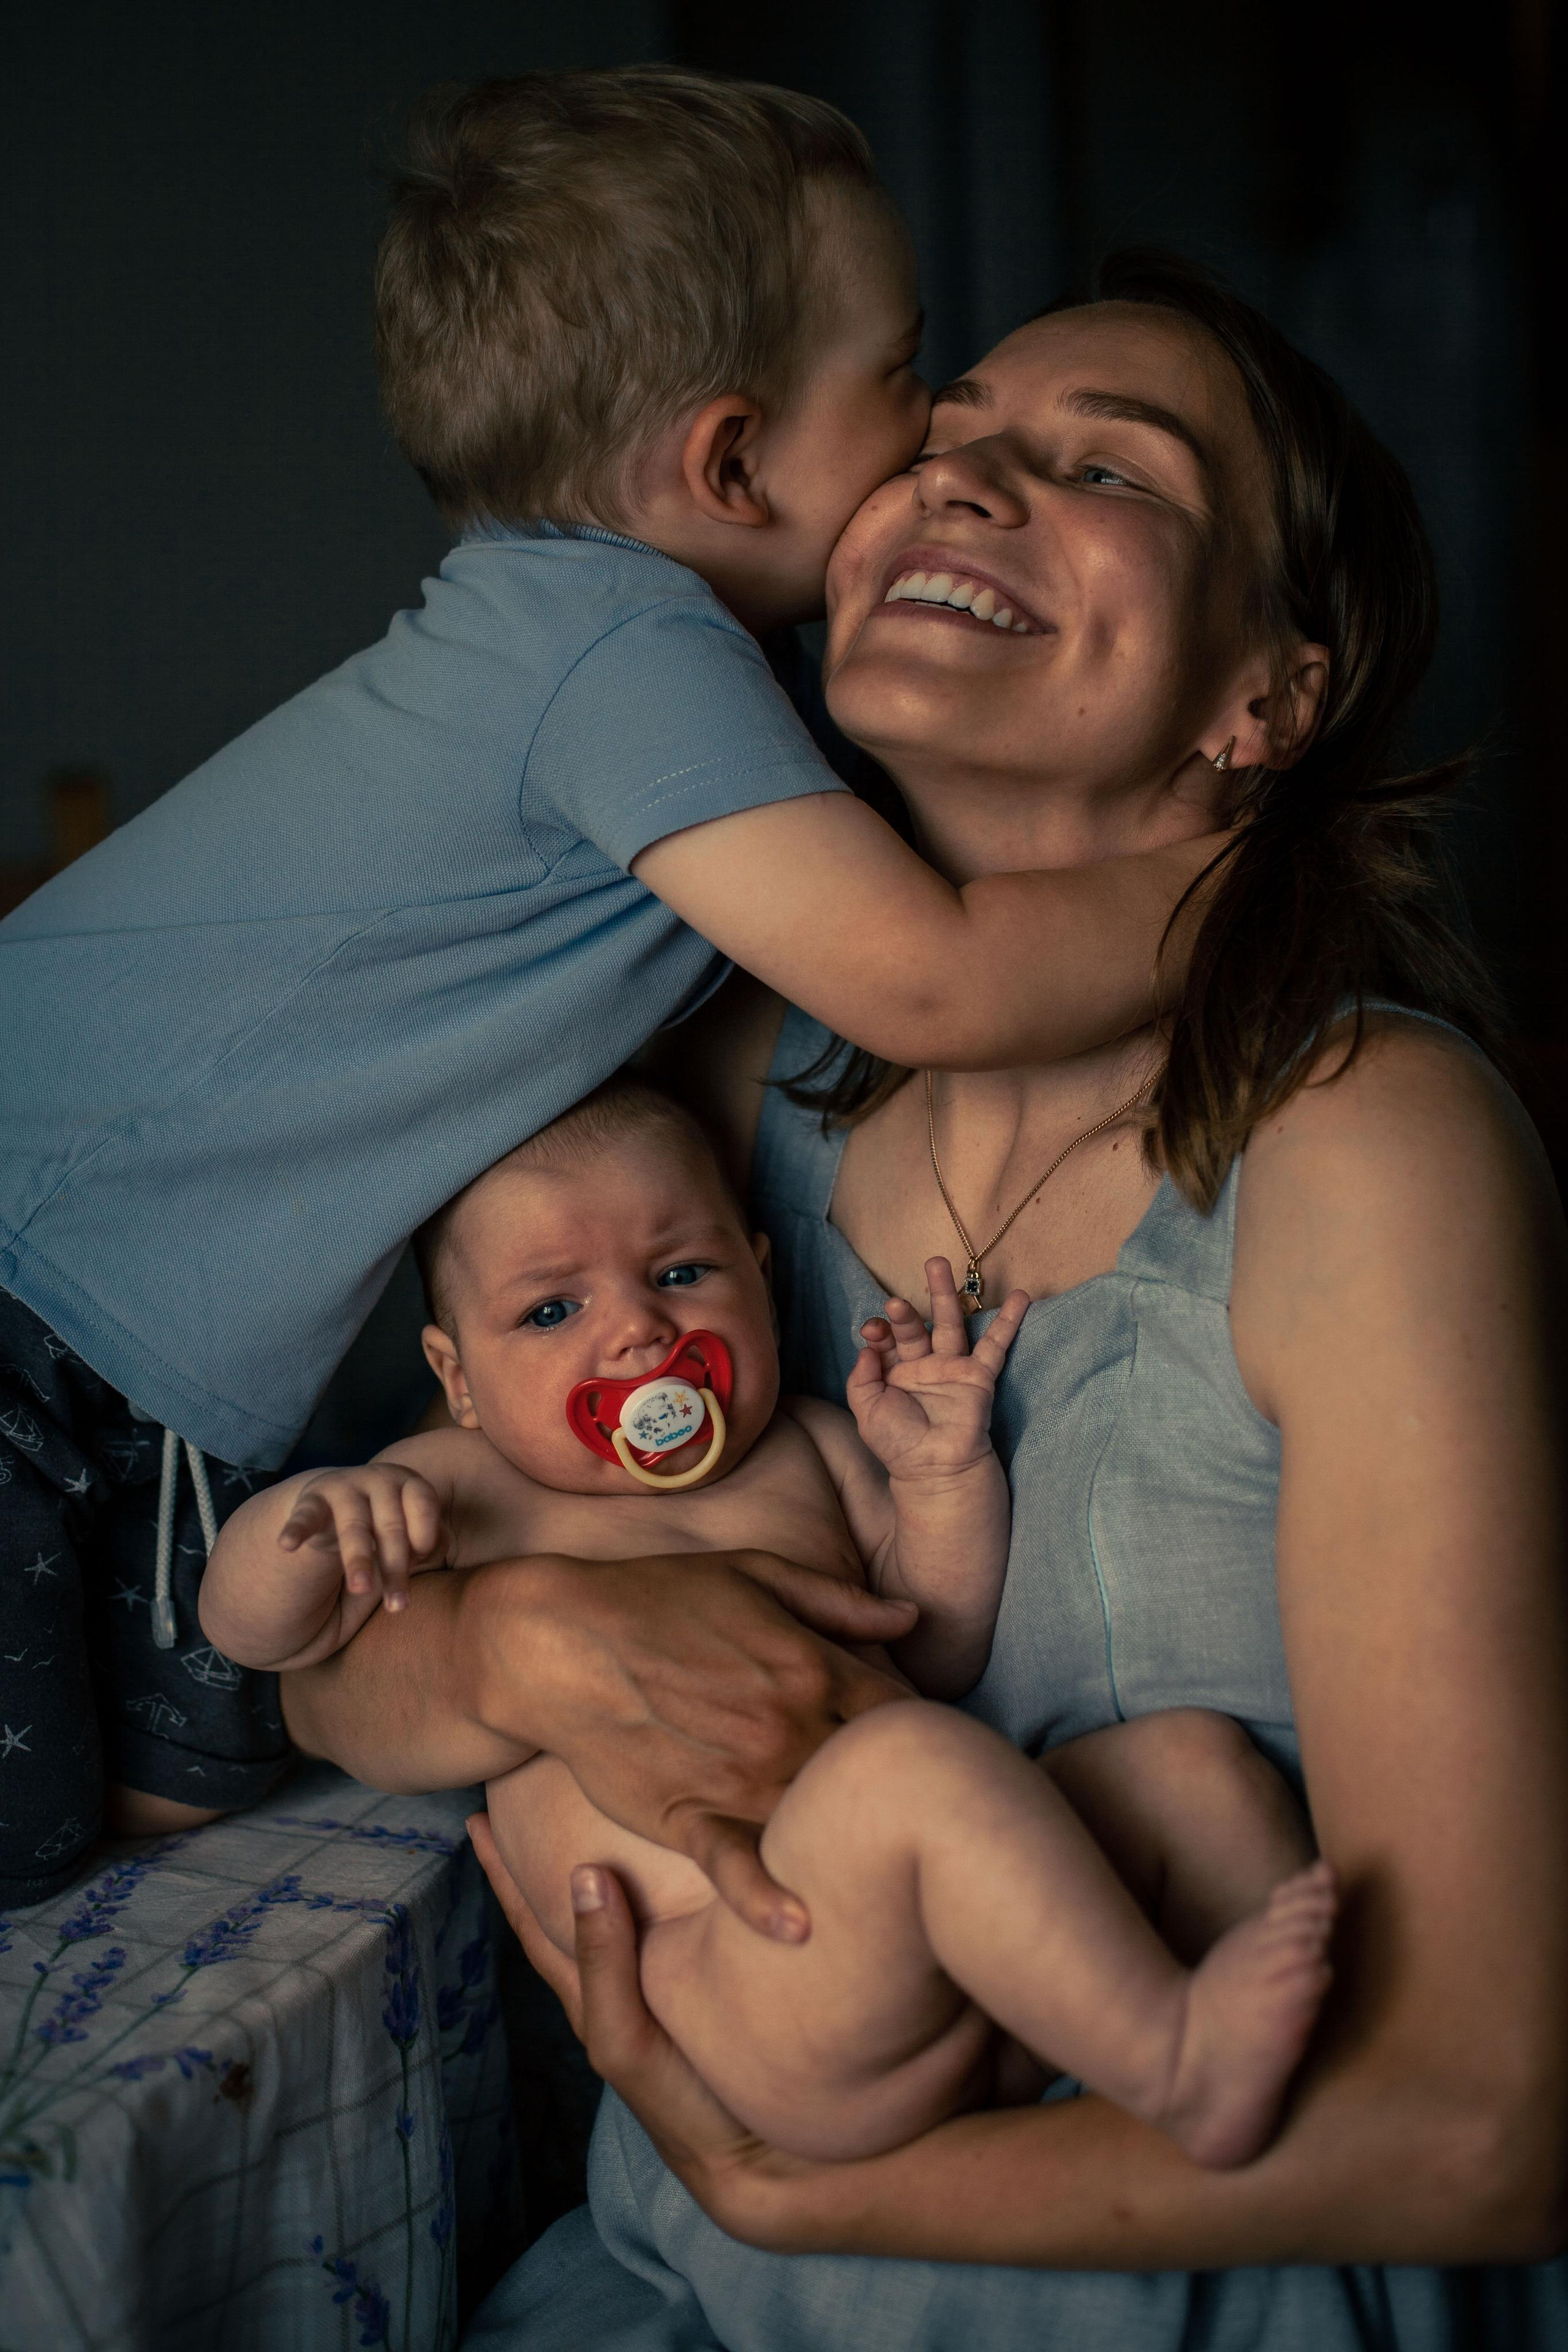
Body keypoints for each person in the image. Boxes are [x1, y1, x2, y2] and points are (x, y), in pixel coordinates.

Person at [285, 251, 1568, 2345]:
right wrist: (524, 1642)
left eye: (1106, 469)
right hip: (683, 2286)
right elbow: (331, 1659)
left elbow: (1479, 2128)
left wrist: (797, 2189)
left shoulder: (1366, 1148)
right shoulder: (727, 1095)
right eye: (947, 436)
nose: (963, 482)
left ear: (1265, 697)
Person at [0, 71, 1212, 1907]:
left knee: (155, 1798)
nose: (930, 432)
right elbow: (931, 981)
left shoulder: (612, 653)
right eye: (903, 374)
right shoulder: (626, 648)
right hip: (35, 1273)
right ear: (732, 465)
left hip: (137, 1333)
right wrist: (1234, 868)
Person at [201, 1079, 1337, 2173]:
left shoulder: (810, 1447)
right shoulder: (456, 1488)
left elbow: (932, 1641)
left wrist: (941, 1480)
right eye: (552, 1310)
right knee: (904, 1766)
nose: (640, 1331)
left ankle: (1322, 2041)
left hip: (954, 1936)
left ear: (761, 1276)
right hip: (747, 1978)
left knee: (1194, 1770)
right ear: (459, 1377)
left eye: (680, 1273)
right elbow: (257, 1639)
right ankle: (1180, 2064)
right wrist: (313, 1525)